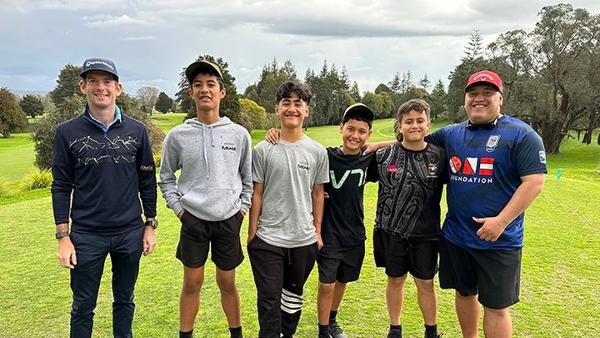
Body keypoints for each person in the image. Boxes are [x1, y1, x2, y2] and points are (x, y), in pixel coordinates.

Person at [426, 70, 546, 338]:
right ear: (465, 98)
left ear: (500, 98)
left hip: (499, 240)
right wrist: (373, 146)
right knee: (464, 292)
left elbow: (534, 183)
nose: (479, 99)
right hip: (457, 236)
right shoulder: (451, 133)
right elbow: (415, 142)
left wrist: (501, 222)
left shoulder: (522, 135)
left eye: (487, 93)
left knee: (496, 306)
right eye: (473, 93)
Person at [51, 57, 157, 338]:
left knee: (125, 300)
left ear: (118, 88)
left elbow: (147, 179)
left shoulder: (137, 131)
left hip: (130, 233)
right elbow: (61, 186)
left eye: (107, 81)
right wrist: (63, 237)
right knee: (83, 307)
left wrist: (150, 224)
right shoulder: (67, 133)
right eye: (94, 81)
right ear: (82, 86)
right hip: (86, 236)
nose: (101, 88)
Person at [158, 60, 252, 338]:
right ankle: (185, 334)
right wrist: (180, 211)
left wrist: (241, 211)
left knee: (227, 282)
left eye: (211, 84)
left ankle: (236, 333)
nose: (204, 90)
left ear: (222, 92)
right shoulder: (178, 135)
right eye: (197, 85)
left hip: (228, 220)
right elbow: (165, 177)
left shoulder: (239, 134)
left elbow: (248, 179)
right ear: (191, 93)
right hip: (193, 220)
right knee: (192, 282)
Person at [248, 80, 329, 338]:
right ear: (277, 109)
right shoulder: (263, 149)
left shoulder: (317, 152)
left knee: (293, 297)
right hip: (267, 239)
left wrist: (317, 231)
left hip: (303, 240)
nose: (292, 108)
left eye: (298, 103)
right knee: (269, 300)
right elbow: (256, 192)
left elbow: (318, 193)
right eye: (286, 103)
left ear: (306, 111)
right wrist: (252, 235)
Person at [368, 99, 446, 338]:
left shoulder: (439, 156)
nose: (415, 125)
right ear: (399, 126)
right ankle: (395, 328)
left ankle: (431, 330)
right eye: (409, 121)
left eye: (420, 121)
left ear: (428, 124)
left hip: (427, 234)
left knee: (425, 283)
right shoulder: (382, 155)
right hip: (391, 231)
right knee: (395, 280)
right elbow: (352, 171)